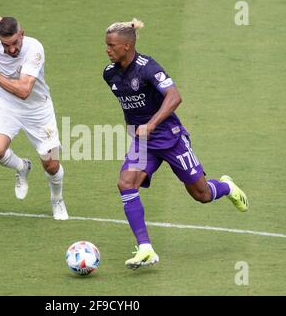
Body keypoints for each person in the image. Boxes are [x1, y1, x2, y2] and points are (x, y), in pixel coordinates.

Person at [103, 19, 248, 269]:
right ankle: (146, 248)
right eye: (106, 45)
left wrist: (152, 123)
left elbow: (174, 96)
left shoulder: (148, 67)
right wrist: (140, 132)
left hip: (170, 138)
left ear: (127, 46)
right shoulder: (110, 74)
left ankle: (226, 187)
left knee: (201, 194)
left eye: (111, 45)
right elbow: (132, 108)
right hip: (143, 142)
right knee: (126, 183)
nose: (107, 49)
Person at [0, 16, 68, 220]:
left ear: (22, 34)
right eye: (6, 45)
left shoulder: (34, 49)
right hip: (7, 106)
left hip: (38, 110)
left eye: (15, 43)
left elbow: (24, 91)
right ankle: (22, 167)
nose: (11, 50)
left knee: (51, 164)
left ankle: (57, 199)